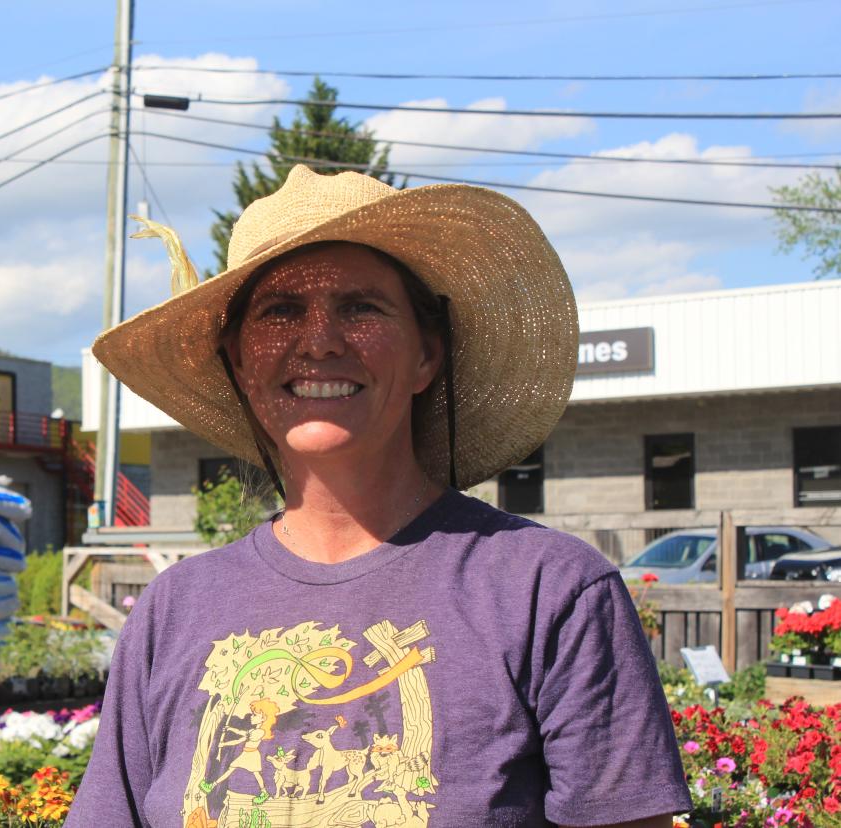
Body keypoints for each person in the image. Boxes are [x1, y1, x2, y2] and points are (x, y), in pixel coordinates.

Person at [65, 166, 690, 827]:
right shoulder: (174, 611)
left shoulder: (548, 593)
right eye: (281, 311)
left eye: (361, 307)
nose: (320, 340)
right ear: (241, 363)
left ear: (427, 355)